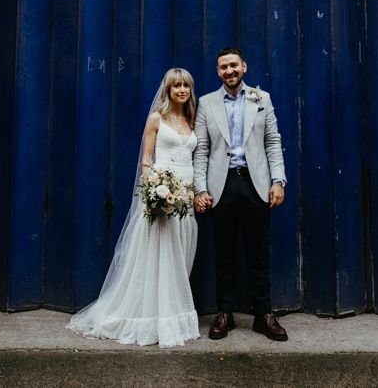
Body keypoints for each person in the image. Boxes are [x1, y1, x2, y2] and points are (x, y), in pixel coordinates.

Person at [67, 68, 200, 348]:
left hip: (185, 199)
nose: (181, 90)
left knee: (180, 256)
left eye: (185, 85)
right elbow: (147, 158)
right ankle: (150, 318)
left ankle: (173, 312)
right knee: (158, 257)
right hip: (162, 197)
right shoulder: (156, 119)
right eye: (175, 85)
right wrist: (154, 190)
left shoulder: (191, 120)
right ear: (167, 90)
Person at [193, 47, 288, 341]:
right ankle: (225, 313)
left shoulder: (263, 99)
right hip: (221, 186)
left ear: (244, 67)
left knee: (258, 252)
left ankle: (263, 314)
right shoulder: (206, 103)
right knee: (224, 253)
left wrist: (278, 181)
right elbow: (202, 149)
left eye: (233, 65)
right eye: (223, 67)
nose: (229, 71)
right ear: (218, 72)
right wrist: (200, 188)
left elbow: (273, 141)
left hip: (255, 184)